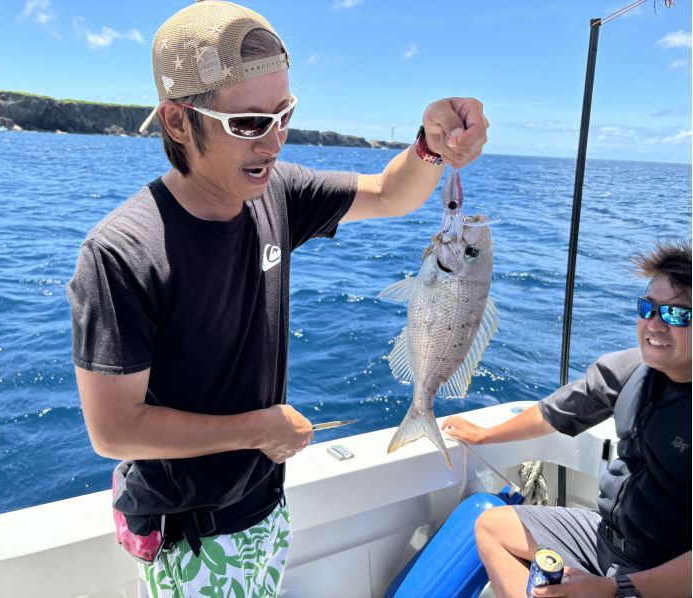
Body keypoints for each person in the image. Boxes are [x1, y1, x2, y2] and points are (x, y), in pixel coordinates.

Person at [66, 1, 488, 596]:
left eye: (284, 114)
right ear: (178, 122)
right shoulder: (121, 253)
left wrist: (430, 145)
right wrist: (258, 430)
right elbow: (113, 430)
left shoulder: (276, 193)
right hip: (195, 535)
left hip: (266, 505)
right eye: (248, 123)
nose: (274, 141)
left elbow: (390, 194)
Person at [442, 240, 691, 598]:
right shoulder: (629, 370)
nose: (654, 325)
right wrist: (485, 435)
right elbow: (552, 414)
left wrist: (613, 588)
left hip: (663, 572)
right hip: (605, 539)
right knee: (492, 528)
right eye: (647, 308)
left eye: (677, 315)